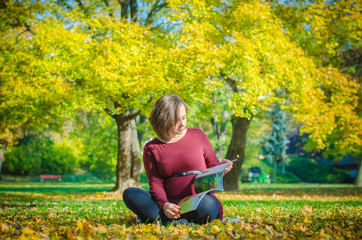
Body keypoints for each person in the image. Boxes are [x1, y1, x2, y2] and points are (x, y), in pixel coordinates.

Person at [123, 94, 233, 225]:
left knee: (209, 205)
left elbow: (213, 166)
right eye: (176, 120)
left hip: (198, 202)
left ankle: (164, 221)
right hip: (169, 204)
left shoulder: (198, 135)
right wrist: (164, 204)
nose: (182, 123)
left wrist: (223, 168)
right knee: (130, 194)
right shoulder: (151, 147)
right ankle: (175, 219)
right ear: (163, 120)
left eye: (184, 118)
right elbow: (155, 182)